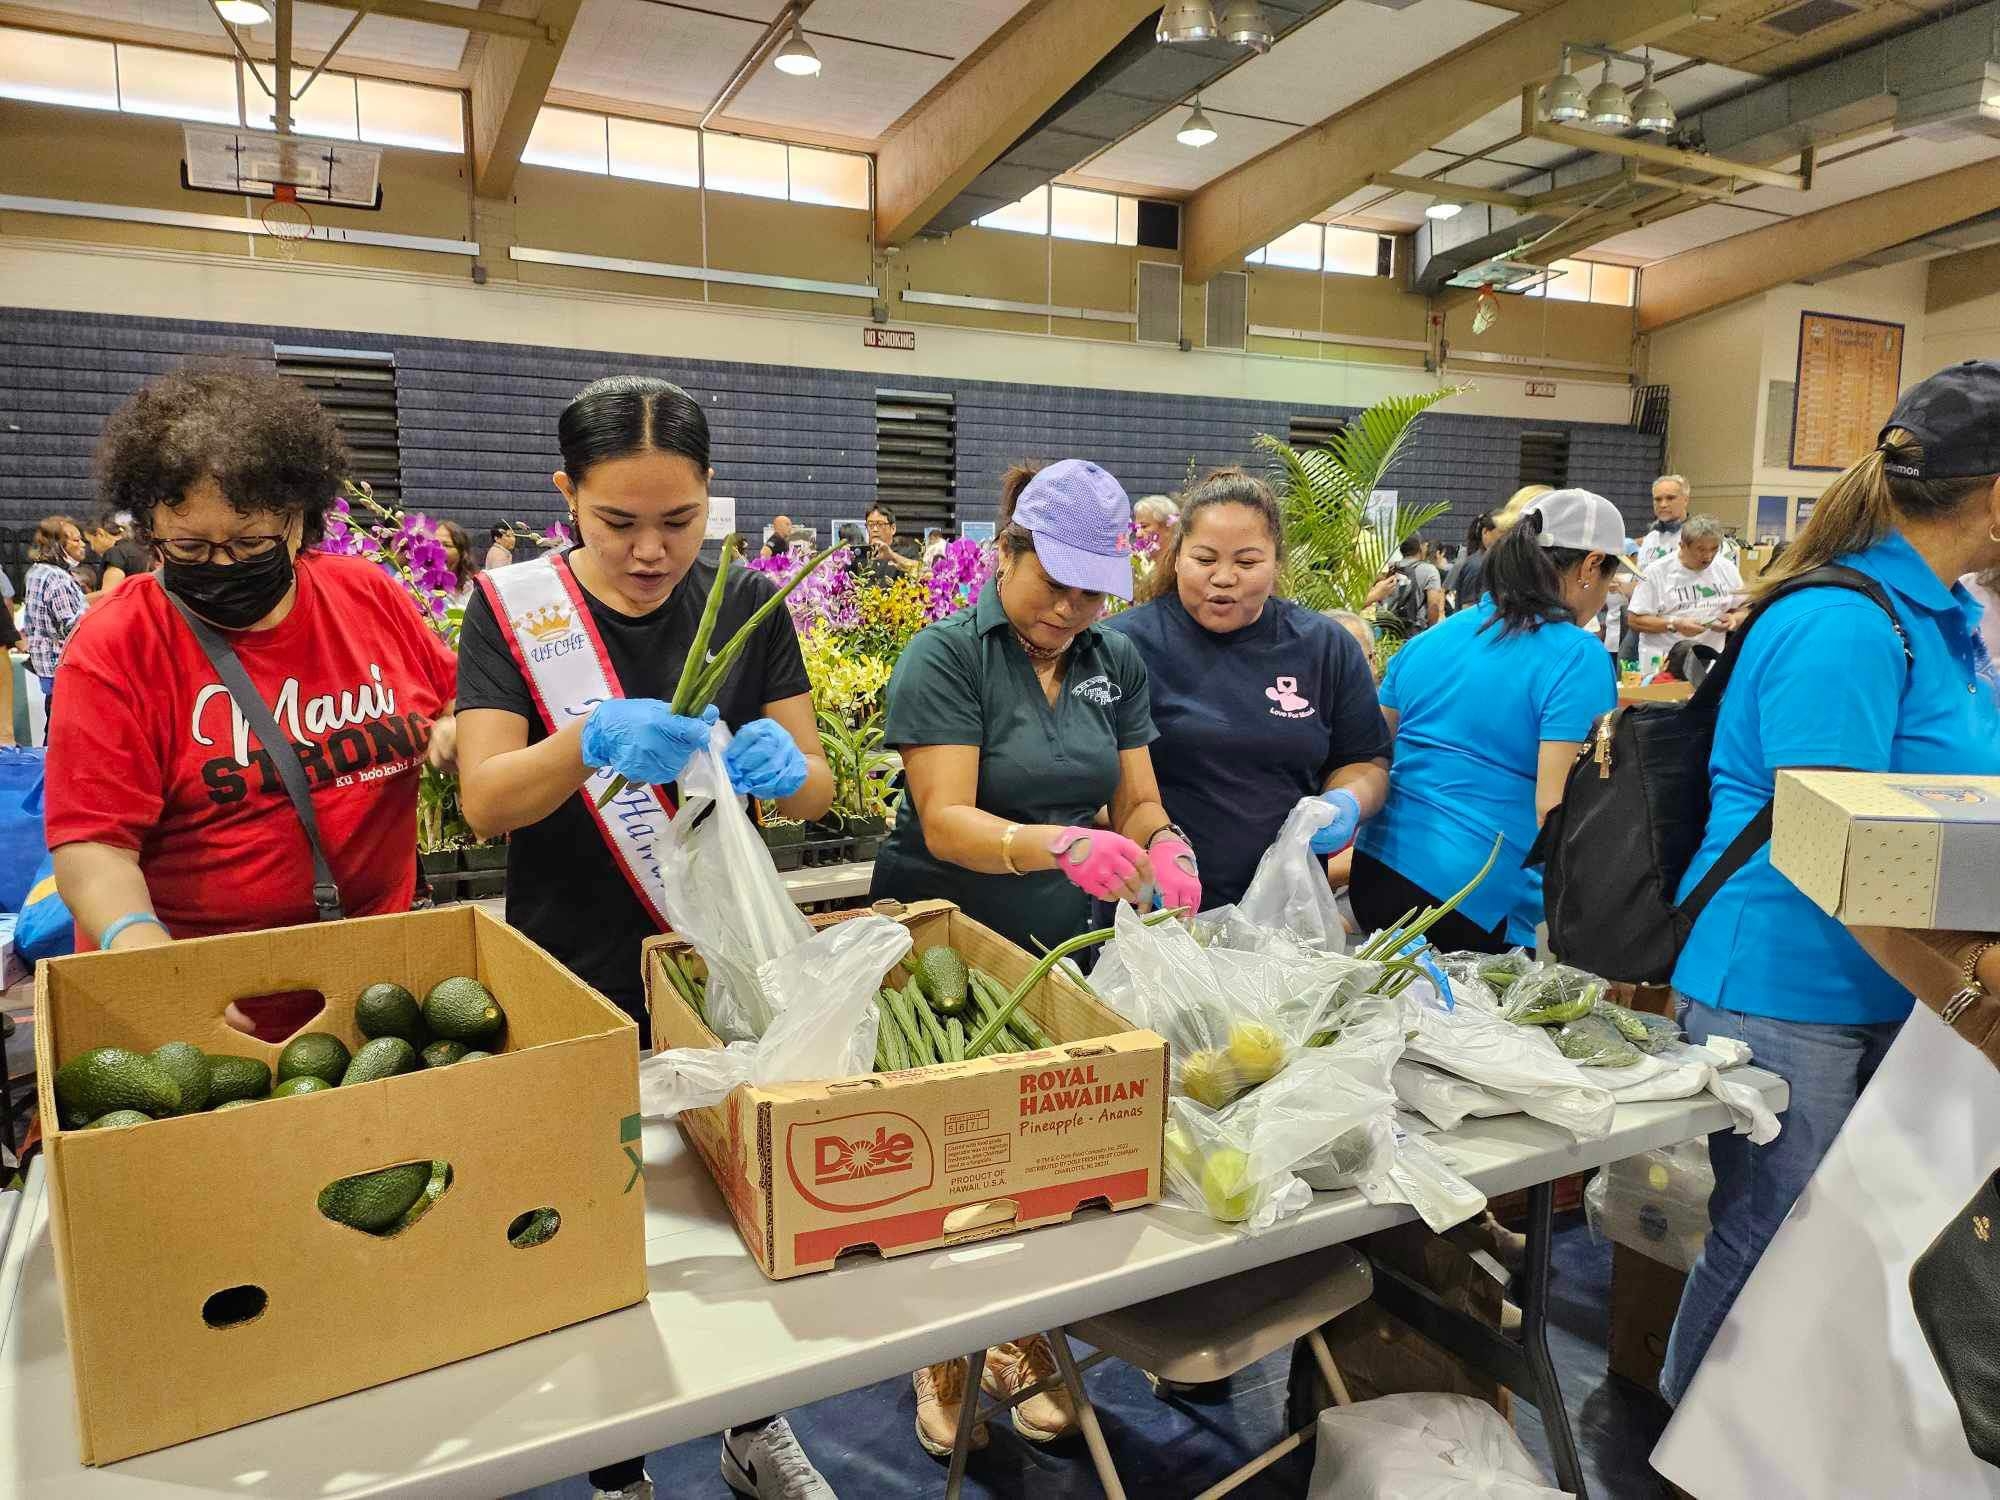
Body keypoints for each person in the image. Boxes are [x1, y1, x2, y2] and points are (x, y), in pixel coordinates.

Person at [453, 375, 834, 1500]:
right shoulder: (511, 610)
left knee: (735, 1208)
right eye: (617, 522)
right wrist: (588, 739)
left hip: (714, 959)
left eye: (678, 522)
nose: (650, 551)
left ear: (709, 500)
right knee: (598, 1217)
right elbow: (486, 801)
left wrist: (785, 770)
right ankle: (615, 1464)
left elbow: (813, 783)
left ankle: (750, 1424)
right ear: (565, 494)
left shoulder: (751, 597)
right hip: (572, 960)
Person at [1659, 361, 2000, 1407]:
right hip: (1782, 984)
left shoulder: (1939, 617)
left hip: (1873, 986)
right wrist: (1960, 999)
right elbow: (1832, 852)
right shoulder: (1845, 623)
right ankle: (1687, 1438)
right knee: (1769, 1238)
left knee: (1831, 1246)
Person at [872, 458, 1196, 1460]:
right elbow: (946, 817)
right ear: (1004, 550)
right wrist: (1049, 841)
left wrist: (1161, 839)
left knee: (1048, 1158)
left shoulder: (1112, 661)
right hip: (950, 933)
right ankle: (942, 1355)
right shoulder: (946, 656)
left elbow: (1133, 797)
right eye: (1051, 581)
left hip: (1066, 935)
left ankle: (1028, 1339)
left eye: (1091, 588)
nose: (1069, 607)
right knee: (952, 1165)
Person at [47, 368, 459, 954]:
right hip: (203, 981)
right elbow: (93, 843)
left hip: (369, 969)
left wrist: (453, 727)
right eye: (188, 547)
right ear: (150, 530)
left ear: (298, 522)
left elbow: (451, 695)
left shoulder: (366, 593)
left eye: (249, 543)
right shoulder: (117, 644)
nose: (220, 565)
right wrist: (144, 951)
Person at [1350, 490, 1623, 952]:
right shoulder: (1579, 656)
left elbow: (1372, 754)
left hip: (1376, 874)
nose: (1603, 597)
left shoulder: (1436, 638)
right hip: (1472, 898)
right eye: (1609, 581)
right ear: (1591, 566)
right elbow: (1555, 810)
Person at [1109, 468, 1390, 910]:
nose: (1223, 577)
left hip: (1283, 910)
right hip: (1155, 905)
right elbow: (1089, 779)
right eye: (1204, 560)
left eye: (1246, 562)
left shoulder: (1324, 647)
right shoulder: (1123, 647)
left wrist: (1345, 802)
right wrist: (1146, 844)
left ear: (1277, 563)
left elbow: (1365, 761)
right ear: (1177, 555)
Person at [1627, 513, 1742, 679]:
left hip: (1709, 663)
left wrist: (1734, 619)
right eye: (1701, 550)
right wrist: (1674, 624)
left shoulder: (1726, 569)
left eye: (1714, 549)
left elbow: (1744, 608)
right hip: (1663, 664)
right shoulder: (1657, 572)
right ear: (1682, 545)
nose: (1708, 557)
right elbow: (1635, 620)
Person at [23, 515, 88, 733]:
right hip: (63, 666)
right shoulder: (56, 578)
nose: (82, 545)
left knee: (55, 725)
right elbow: (70, 626)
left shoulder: (36, 572)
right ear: (58, 545)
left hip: (48, 667)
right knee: (65, 730)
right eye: (76, 540)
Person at [1368, 536, 1444, 638]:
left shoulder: (1389, 568)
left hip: (1387, 629)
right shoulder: (1429, 570)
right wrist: (1431, 632)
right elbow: (1433, 605)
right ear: (1420, 549)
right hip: (1416, 633)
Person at [83, 508, 150, 594]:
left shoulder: (116, 553)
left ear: (100, 534)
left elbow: (108, 593)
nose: (92, 548)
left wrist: (78, 601)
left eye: (90, 541)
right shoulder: (139, 548)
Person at [1447, 511, 1499, 608]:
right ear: (1485, 532)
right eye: (1502, 532)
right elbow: (1469, 607)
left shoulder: (1489, 562)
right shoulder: (1478, 565)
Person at [861, 503, 922, 585]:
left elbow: (920, 571)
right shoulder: (861, 554)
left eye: (880, 524)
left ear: (893, 528)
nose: (874, 529)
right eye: (870, 524)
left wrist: (892, 556)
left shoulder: (907, 551)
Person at [435, 519, 477, 607]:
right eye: (435, 544)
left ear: (462, 552)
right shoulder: (415, 587)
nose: (439, 550)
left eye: (446, 545)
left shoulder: (473, 588)